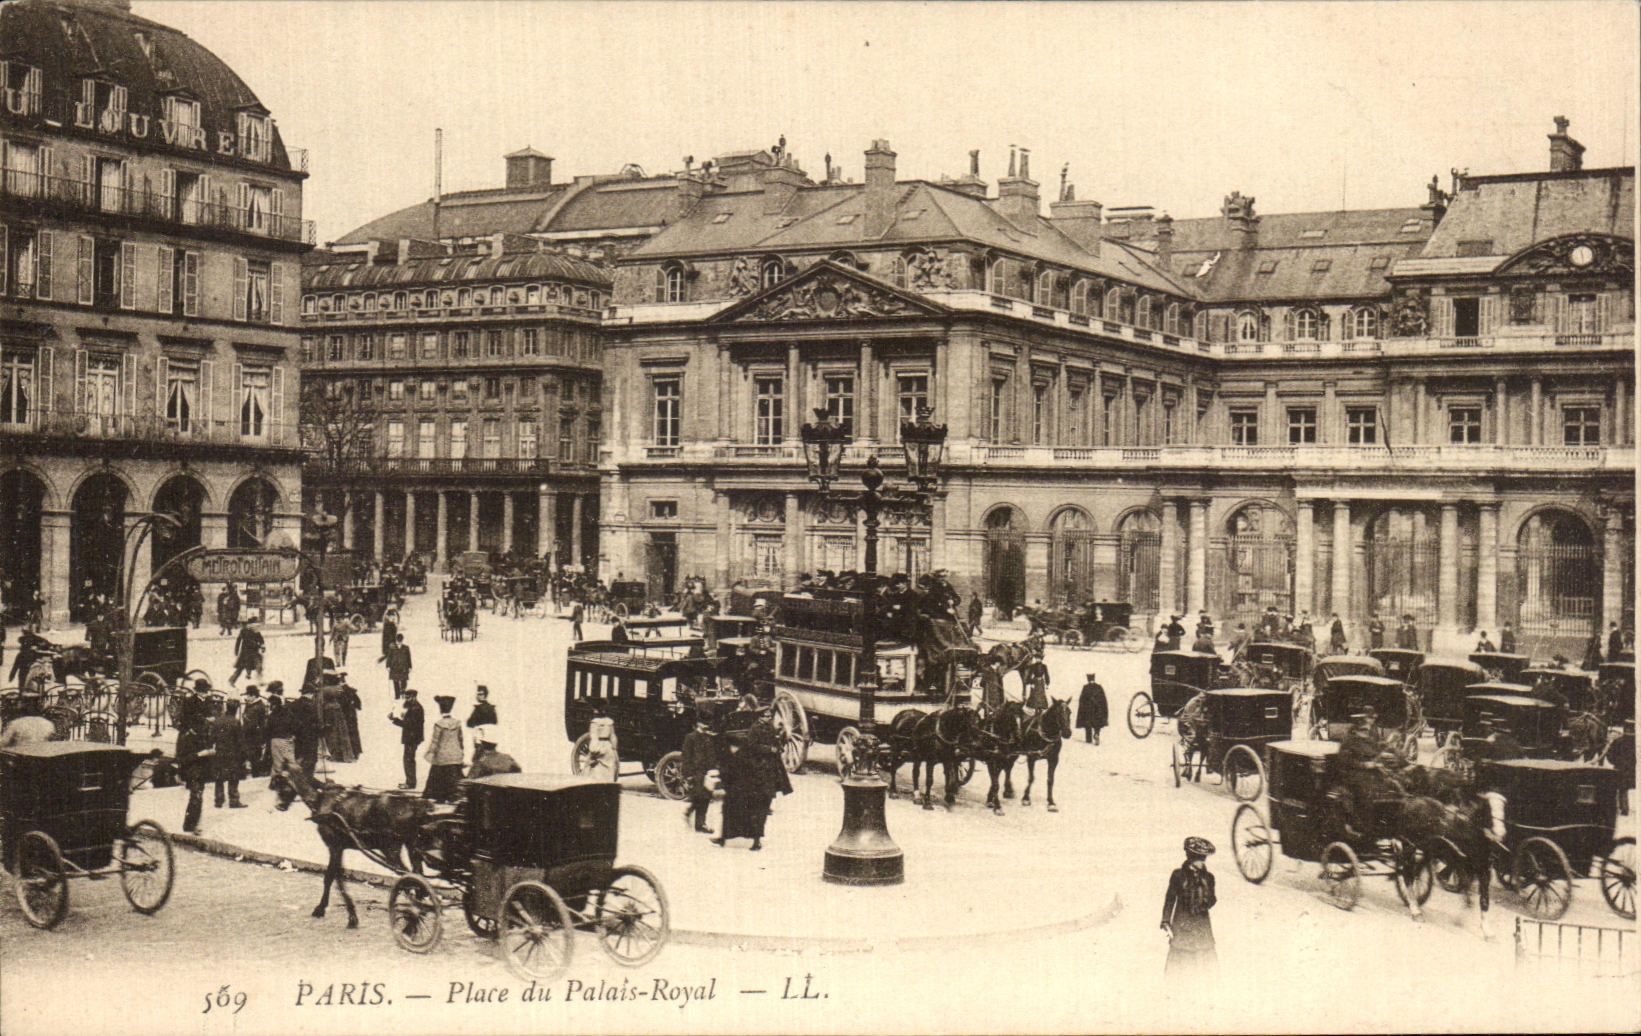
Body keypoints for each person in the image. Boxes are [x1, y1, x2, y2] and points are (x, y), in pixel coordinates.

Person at [713, 724, 792, 851]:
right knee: (732, 808)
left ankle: (755, 841)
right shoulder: (748, 752)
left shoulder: (768, 756)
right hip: (751, 787)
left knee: (758, 813)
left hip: (761, 788)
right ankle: (724, 837)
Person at [1161, 837, 1219, 978]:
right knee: (1180, 957)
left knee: (1207, 957)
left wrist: (1206, 896)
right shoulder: (1178, 876)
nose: (1202, 863)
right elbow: (1170, 899)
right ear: (1192, 859)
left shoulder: (1209, 878)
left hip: (1202, 925)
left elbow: (1211, 901)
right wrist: (1166, 920)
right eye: (1200, 859)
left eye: (1204, 859)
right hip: (1182, 924)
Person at [175, 704, 215, 835]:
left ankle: (191, 825)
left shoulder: (200, 735)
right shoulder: (186, 737)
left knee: (197, 797)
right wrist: (200, 754)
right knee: (196, 797)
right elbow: (183, 757)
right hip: (192, 770)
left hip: (200, 770)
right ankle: (191, 826)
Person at [423, 694, 465, 802]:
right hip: (455, 756)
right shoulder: (457, 723)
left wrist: (429, 753)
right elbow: (461, 739)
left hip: (442, 756)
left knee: (437, 774)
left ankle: (439, 797)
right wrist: (461, 751)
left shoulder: (439, 724)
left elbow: (435, 741)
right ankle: (453, 795)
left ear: (441, 710)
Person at [681, 716, 718, 833]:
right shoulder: (690, 737)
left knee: (705, 797)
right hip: (695, 772)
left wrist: (713, 769)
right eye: (703, 723)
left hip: (706, 773)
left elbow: (712, 755)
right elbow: (686, 757)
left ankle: (695, 818)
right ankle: (700, 823)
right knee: (700, 796)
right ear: (698, 724)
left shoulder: (708, 737)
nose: (706, 725)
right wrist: (687, 775)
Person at [211, 698, 247, 809]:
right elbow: (240, 741)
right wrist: (244, 755)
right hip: (232, 753)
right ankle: (234, 800)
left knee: (219, 778)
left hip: (220, 752)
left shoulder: (218, 721)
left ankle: (219, 800)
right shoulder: (235, 722)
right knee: (233, 777)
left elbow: (212, 737)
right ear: (236, 709)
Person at [390, 688, 425, 790]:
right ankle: (409, 781)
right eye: (406, 697)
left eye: (408, 697)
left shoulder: (416, 708)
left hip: (412, 737)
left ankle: (410, 783)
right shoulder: (413, 707)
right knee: (409, 759)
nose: (406, 699)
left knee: (408, 759)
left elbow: (409, 724)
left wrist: (395, 720)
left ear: (414, 697)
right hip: (412, 737)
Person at [466, 685, 498, 766]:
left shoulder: (478, 709)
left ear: (484, 695)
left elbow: (469, 723)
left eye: (480, 694)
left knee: (478, 758)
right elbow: (495, 722)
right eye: (478, 694)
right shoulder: (492, 708)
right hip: (491, 739)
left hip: (480, 738)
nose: (478, 696)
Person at [241, 686, 269, 778]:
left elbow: (256, 724)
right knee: (250, 757)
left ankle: (256, 776)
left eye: (248, 696)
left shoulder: (259, 706)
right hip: (249, 736)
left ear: (253, 696)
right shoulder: (250, 705)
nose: (247, 698)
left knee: (254, 758)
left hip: (254, 737)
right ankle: (252, 774)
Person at [584, 715, 620, 782]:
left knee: (592, 768)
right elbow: (613, 736)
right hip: (608, 747)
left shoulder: (594, 723)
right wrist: (614, 748)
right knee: (610, 767)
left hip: (599, 746)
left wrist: (594, 750)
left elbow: (594, 737)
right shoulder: (609, 722)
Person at [229, 620, 264, 687]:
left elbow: (261, 639)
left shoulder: (256, 632)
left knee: (259, 666)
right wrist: (236, 650)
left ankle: (260, 680)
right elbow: (240, 641)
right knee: (240, 668)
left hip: (254, 653)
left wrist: (262, 646)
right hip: (245, 653)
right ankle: (232, 680)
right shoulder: (244, 631)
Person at [1076, 673, 1108, 745]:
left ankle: (1088, 739)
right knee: (1097, 724)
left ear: (1088, 679)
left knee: (1088, 725)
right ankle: (1096, 734)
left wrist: (1082, 711)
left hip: (1088, 711)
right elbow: (1103, 700)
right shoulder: (1099, 687)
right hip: (1097, 710)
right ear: (1094, 678)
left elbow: (1081, 700)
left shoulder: (1085, 687)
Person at [387, 633, 413, 698]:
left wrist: (410, 666)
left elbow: (408, 657)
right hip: (394, 667)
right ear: (396, 640)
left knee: (404, 680)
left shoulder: (406, 648)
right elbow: (389, 657)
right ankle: (397, 695)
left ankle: (403, 691)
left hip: (404, 667)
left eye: (400, 640)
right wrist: (388, 666)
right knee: (395, 681)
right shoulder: (392, 648)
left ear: (402, 640)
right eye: (398, 640)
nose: (399, 641)